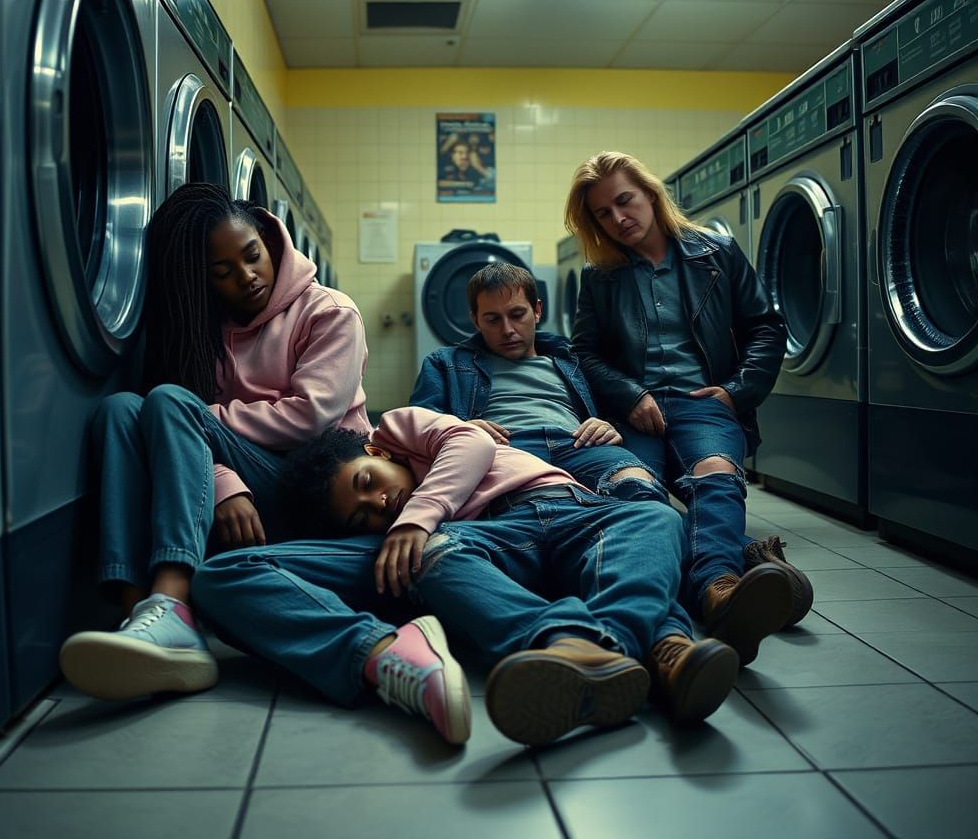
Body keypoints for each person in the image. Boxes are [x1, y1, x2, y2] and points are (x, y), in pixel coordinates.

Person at [58, 182, 372, 703]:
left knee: (169, 402)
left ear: (271, 245)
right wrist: (223, 481)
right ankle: (141, 613)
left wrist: (199, 422)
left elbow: (311, 418)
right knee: (119, 411)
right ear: (200, 278)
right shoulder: (199, 325)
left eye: (252, 257)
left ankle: (174, 599)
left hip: (313, 486)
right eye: (222, 271)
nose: (246, 277)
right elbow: (190, 433)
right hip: (233, 484)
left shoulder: (330, 311)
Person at [279, 407, 741, 746]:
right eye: (363, 519)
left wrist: (416, 517)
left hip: (567, 503)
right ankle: (657, 655)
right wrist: (423, 532)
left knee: (651, 521)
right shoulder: (426, 531)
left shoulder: (398, 429)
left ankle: (608, 651)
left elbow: (473, 443)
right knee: (434, 556)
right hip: (495, 536)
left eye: (367, 481)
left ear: (376, 451)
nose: (378, 503)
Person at [564, 151, 813, 666]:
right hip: (636, 410)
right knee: (638, 496)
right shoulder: (601, 276)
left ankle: (716, 590)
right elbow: (586, 352)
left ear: (651, 194)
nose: (618, 219)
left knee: (716, 475)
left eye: (624, 201)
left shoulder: (715, 252)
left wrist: (735, 391)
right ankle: (744, 556)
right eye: (603, 214)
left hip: (703, 402)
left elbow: (764, 326)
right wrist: (630, 395)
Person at [411, 262, 667, 506]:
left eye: (517, 314)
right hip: (505, 450)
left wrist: (607, 425)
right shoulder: (445, 362)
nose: (508, 329)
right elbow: (416, 429)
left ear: (537, 310)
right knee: (514, 509)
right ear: (476, 321)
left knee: (642, 489)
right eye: (492, 320)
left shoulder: (575, 358)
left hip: (578, 444)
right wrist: (458, 429)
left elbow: (619, 403)